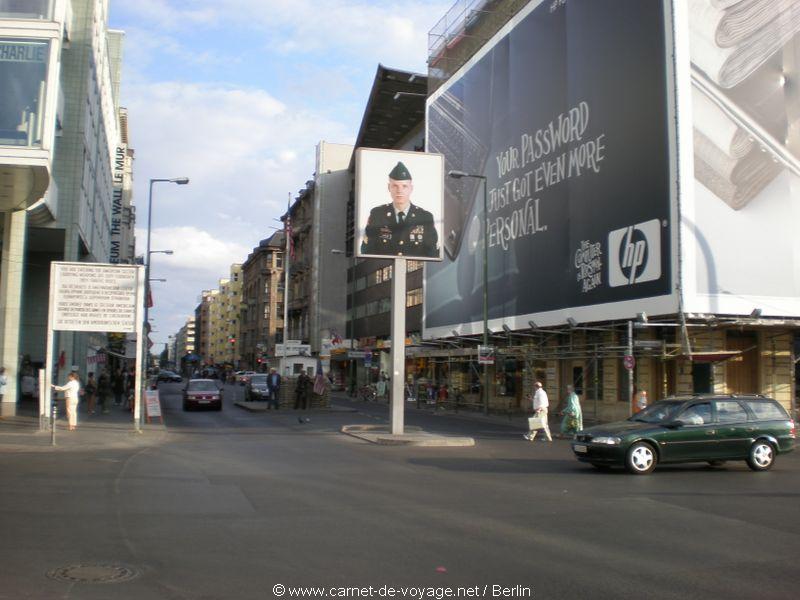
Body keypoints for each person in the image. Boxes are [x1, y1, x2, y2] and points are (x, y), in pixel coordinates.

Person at [360, 161, 439, 258]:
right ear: (389, 187)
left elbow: (433, 254)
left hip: (415, 271)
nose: (399, 190)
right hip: (385, 270)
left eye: (404, 186)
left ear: (411, 188)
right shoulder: (377, 214)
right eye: (395, 186)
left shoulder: (425, 217)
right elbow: (367, 252)